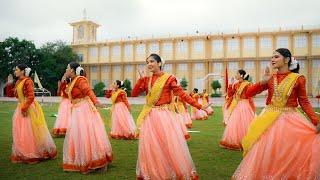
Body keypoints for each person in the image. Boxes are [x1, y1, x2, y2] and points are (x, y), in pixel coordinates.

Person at [232, 48, 320, 179]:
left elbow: (304, 101)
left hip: (290, 120)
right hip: (268, 120)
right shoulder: (270, 78)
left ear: (287, 59)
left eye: (276, 57)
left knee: (287, 153)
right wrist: (262, 81)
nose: (272, 59)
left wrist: (316, 120)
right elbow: (248, 93)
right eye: (272, 57)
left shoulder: (298, 78)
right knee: (265, 152)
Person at [132, 53, 209, 179]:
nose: (149, 64)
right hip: (150, 117)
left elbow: (182, 94)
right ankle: (155, 173)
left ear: (159, 63)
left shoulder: (169, 78)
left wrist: (199, 106)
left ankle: (170, 172)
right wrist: (140, 79)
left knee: (168, 146)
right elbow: (134, 93)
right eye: (147, 62)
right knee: (152, 148)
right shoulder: (147, 80)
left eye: (152, 61)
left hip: (164, 117)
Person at [62, 62, 113, 174]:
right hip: (76, 110)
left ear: (72, 70)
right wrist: (64, 81)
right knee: (78, 135)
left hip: (83, 110)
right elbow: (66, 95)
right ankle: (80, 159)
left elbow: (88, 91)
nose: (66, 70)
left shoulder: (80, 79)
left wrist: (96, 102)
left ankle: (93, 160)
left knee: (86, 134)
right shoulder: (71, 81)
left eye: (67, 68)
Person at [11, 64, 57, 164]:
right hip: (21, 107)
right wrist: (11, 84)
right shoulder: (18, 81)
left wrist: (24, 107)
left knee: (30, 131)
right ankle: (23, 152)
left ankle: (32, 152)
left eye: (17, 70)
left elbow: (31, 96)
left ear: (22, 71)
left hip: (28, 108)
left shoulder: (28, 81)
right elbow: (16, 95)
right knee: (21, 131)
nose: (15, 71)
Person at [219, 70, 256, 150]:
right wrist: (231, 84)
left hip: (245, 105)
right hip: (237, 105)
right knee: (235, 123)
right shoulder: (235, 84)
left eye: (237, 73)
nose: (236, 75)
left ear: (242, 75)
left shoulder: (247, 84)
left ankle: (247, 141)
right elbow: (230, 94)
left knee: (245, 123)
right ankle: (236, 141)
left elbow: (251, 94)